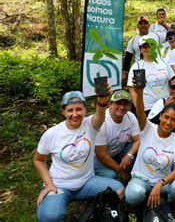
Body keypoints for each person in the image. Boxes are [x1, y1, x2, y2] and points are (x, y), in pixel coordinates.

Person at [34, 89, 124, 222]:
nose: (75, 114)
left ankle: (92, 211)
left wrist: (102, 100)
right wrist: (48, 184)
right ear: (63, 112)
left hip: (86, 182)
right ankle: (59, 202)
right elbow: (38, 159)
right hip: (60, 185)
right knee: (49, 217)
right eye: (70, 110)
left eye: (79, 109)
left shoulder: (90, 125)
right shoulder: (52, 134)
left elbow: (100, 116)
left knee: (119, 190)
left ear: (85, 110)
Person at [125, 80, 175, 209]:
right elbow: (140, 113)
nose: (168, 122)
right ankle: (144, 202)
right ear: (160, 117)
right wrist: (140, 93)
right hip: (142, 179)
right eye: (166, 117)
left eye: (173, 120)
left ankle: (163, 203)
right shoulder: (148, 129)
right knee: (134, 195)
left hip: (163, 182)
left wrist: (160, 183)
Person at [94, 90, 140, 180]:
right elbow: (101, 155)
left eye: (125, 104)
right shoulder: (102, 121)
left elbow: (138, 140)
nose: (122, 107)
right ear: (110, 104)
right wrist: (120, 170)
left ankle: (135, 175)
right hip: (97, 157)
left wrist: (129, 155)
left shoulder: (130, 117)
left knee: (140, 151)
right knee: (111, 175)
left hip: (118, 151)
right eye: (118, 103)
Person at [127, 35, 175, 115]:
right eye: (144, 47)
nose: (148, 49)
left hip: (166, 105)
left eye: (150, 46)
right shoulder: (136, 66)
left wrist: (172, 99)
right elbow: (132, 89)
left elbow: (173, 82)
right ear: (141, 50)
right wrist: (139, 109)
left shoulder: (164, 62)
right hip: (147, 108)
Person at [122, 15, 164, 85]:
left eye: (145, 23)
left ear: (149, 25)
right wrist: (124, 73)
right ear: (137, 26)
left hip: (155, 68)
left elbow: (173, 36)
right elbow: (128, 58)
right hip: (140, 71)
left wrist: (164, 24)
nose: (143, 25)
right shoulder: (132, 40)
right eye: (140, 23)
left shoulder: (157, 36)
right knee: (140, 91)